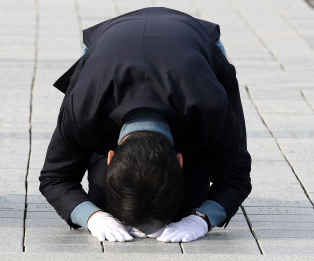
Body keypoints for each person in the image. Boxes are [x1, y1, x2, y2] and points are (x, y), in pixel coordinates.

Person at [39, 8, 252, 243]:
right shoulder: (83, 108)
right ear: (110, 157)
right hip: (108, 48)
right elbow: (55, 177)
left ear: (180, 160)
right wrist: (93, 216)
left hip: (193, 48)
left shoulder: (210, 106)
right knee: (103, 200)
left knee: (189, 203)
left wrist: (201, 217)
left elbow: (236, 176)